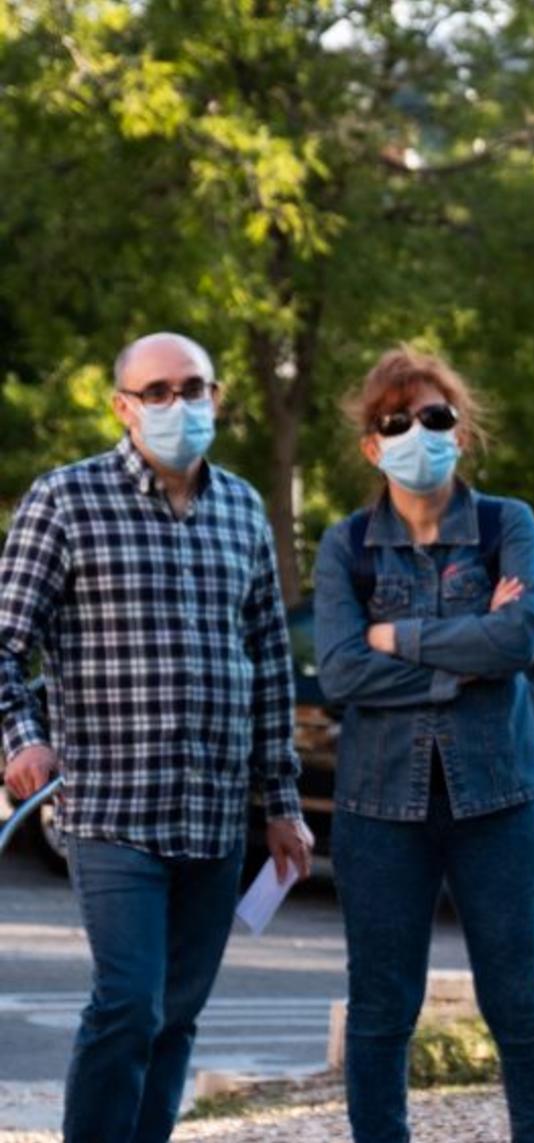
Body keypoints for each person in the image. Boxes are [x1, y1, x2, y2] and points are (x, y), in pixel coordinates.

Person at [0, 332, 312, 1143]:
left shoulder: (243, 508)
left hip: (214, 815)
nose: (179, 404)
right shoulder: (66, 500)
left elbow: (270, 664)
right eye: (158, 391)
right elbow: (3, 643)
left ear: (217, 396)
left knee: (177, 1014)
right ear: (123, 407)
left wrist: (282, 804)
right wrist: (21, 738)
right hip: (112, 809)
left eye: (193, 387)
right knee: (129, 1002)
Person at [313, 347, 534, 1143]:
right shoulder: (346, 546)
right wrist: (464, 658)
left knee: (520, 1001)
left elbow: (519, 639)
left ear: (459, 430)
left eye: (434, 415)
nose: (416, 432)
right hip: (378, 808)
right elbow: (341, 671)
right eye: (396, 421)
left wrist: (399, 636)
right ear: (371, 444)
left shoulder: (505, 524)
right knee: (382, 1008)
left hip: (501, 799)